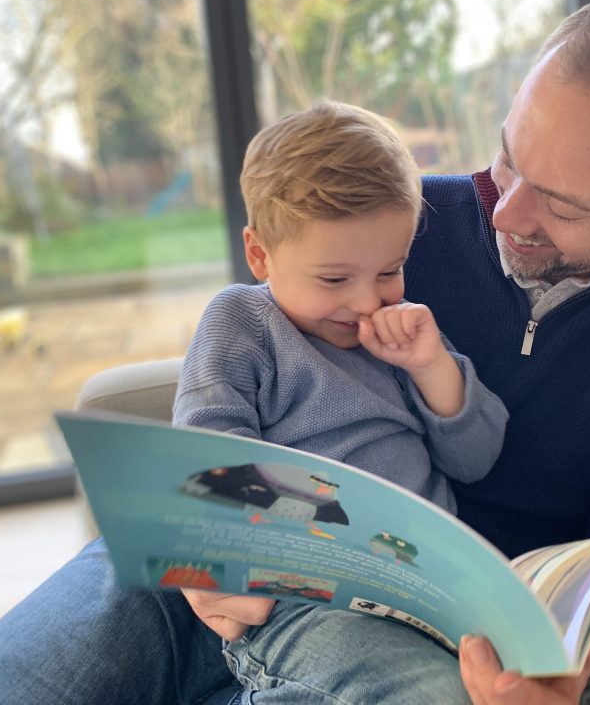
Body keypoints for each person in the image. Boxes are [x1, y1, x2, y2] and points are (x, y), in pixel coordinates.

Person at [0, 0, 590, 705]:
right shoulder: (396, 223)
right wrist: (202, 547)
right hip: (220, 579)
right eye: (509, 160)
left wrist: (585, 652)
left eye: (562, 203)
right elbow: (249, 346)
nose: (502, 214)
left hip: (420, 631)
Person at [174, 101, 508, 703]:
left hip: (434, 591)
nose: (364, 303)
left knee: (537, 687)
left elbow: (476, 460)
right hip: (311, 606)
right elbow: (205, 467)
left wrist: (432, 367)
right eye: (334, 279)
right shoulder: (241, 322)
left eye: (390, 270)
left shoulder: (402, 336)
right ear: (260, 256)